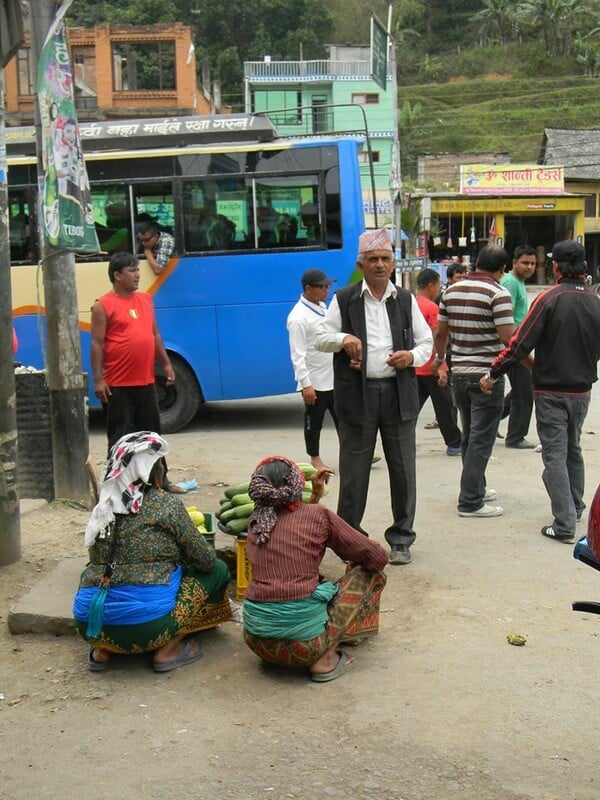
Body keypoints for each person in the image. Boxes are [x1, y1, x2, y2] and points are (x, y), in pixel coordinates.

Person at [314, 228, 433, 565]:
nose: (380, 265)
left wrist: (410, 357)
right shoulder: (344, 298)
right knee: (353, 471)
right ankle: (351, 539)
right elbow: (319, 337)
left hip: (398, 393)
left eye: (385, 258)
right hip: (357, 395)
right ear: (361, 264)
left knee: (403, 469)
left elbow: (426, 343)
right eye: (373, 260)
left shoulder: (406, 300)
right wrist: (344, 339)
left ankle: (401, 539)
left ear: (393, 263)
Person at [73, 431, 232, 672]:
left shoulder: (102, 507)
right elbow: (206, 561)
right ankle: (167, 651)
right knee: (218, 569)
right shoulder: (165, 504)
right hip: (149, 628)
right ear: (154, 474)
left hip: (87, 625)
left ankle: (103, 650)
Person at [481, 240, 600, 542]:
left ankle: (563, 525)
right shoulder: (594, 301)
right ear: (583, 266)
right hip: (582, 391)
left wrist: (494, 373)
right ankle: (575, 505)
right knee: (573, 449)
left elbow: (519, 344)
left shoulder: (548, 299)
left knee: (555, 456)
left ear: (557, 267)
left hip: (551, 391)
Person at [242, 456, 388, 682]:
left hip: (257, 642)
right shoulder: (318, 516)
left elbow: (293, 524)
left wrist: (315, 497)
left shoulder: (255, 522)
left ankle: (282, 654)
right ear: (297, 484)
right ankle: (325, 659)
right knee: (371, 573)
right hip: (307, 647)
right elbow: (377, 558)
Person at [434, 244, 514, 518]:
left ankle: (476, 486)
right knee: (481, 440)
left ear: (477, 262)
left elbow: (440, 332)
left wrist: (440, 359)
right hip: (486, 378)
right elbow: (508, 339)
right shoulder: (498, 293)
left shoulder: (450, 291)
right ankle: (470, 501)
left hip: (460, 374)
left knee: (470, 436)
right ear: (502, 269)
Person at [90, 251, 181, 492]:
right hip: (118, 384)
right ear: (117, 275)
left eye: (138, 269)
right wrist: (99, 379)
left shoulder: (145, 300)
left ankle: (160, 480)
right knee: (120, 437)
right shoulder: (103, 305)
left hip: (146, 381)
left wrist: (166, 363)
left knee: (152, 436)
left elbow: (155, 335)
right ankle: (118, 486)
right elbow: (96, 344)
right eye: (132, 270)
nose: (138, 274)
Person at [286, 268, 339, 471]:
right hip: (314, 381)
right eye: (323, 287)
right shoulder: (298, 317)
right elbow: (297, 355)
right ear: (309, 289)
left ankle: (352, 452)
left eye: (328, 286)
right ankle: (315, 458)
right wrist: (306, 385)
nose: (327, 290)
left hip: (332, 376)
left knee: (343, 418)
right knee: (314, 421)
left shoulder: (322, 307)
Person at [414, 268, 462, 456]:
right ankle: (454, 442)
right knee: (445, 407)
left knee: (411, 409)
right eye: (438, 285)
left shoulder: (409, 304)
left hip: (413, 365)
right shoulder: (431, 308)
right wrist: (441, 365)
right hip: (431, 367)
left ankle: (404, 441)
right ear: (431, 286)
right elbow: (438, 337)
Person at [499, 245, 537, 449]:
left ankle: (492, 418)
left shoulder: (518, 282)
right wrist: (516, 347)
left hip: (518, 344)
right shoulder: (510, 283)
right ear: (514, 263)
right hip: (512, 346)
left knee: (521, 388)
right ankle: (515, 437)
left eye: (532, 263)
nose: (529, 267)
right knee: (525, 390)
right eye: (525, 263)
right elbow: (505, 316)